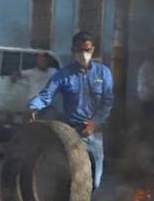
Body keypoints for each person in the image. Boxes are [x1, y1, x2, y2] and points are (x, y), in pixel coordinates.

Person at [28, 32, 114, 191]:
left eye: (87, 50)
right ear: (73, 51)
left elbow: (107, 102)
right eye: (80, 51)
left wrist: (94, 124)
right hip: (72, 133)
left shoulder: (104, 73)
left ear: (93, 50)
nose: (84, 54)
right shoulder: (63, 75)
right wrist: (34, 106)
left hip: (95, 134)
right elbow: (47, 94)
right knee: (73, 178)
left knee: (95, 182)